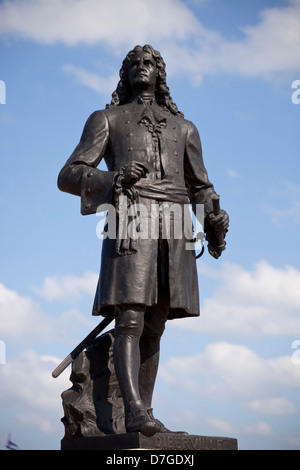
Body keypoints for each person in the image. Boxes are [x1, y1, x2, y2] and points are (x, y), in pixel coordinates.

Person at [58, 45, 229, 437]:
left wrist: (214, 222)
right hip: (132, 218)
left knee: (156, 323)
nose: (141, 67)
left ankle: (143, 412)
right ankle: (133, 410)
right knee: (130, 317)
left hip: (174, 225)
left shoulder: (184, 127)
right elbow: (69, 174)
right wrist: (114, 178)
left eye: (148, 62)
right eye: (133, 63)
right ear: (124, 74)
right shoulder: (107, 119)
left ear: (160, 73)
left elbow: (201, 187)